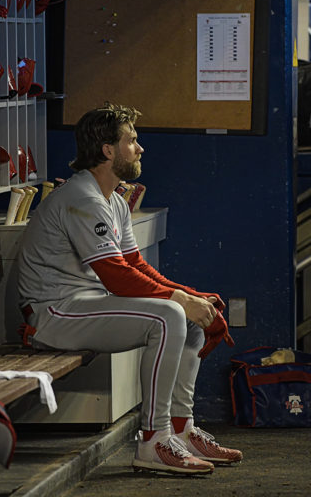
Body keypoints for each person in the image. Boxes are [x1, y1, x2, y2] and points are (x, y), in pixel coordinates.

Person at [17, 102, 242, 476]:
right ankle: (154, 440)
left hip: (84, 305)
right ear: (108, 150)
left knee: (188, 314)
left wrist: (193, 298)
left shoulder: (113, 199)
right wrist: (182, 300)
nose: (140, 148)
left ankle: (181, 430)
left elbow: (135, 266)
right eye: (132, 140)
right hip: (51, 314)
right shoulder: (82, 198)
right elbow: (117, 277)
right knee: (171, 314)